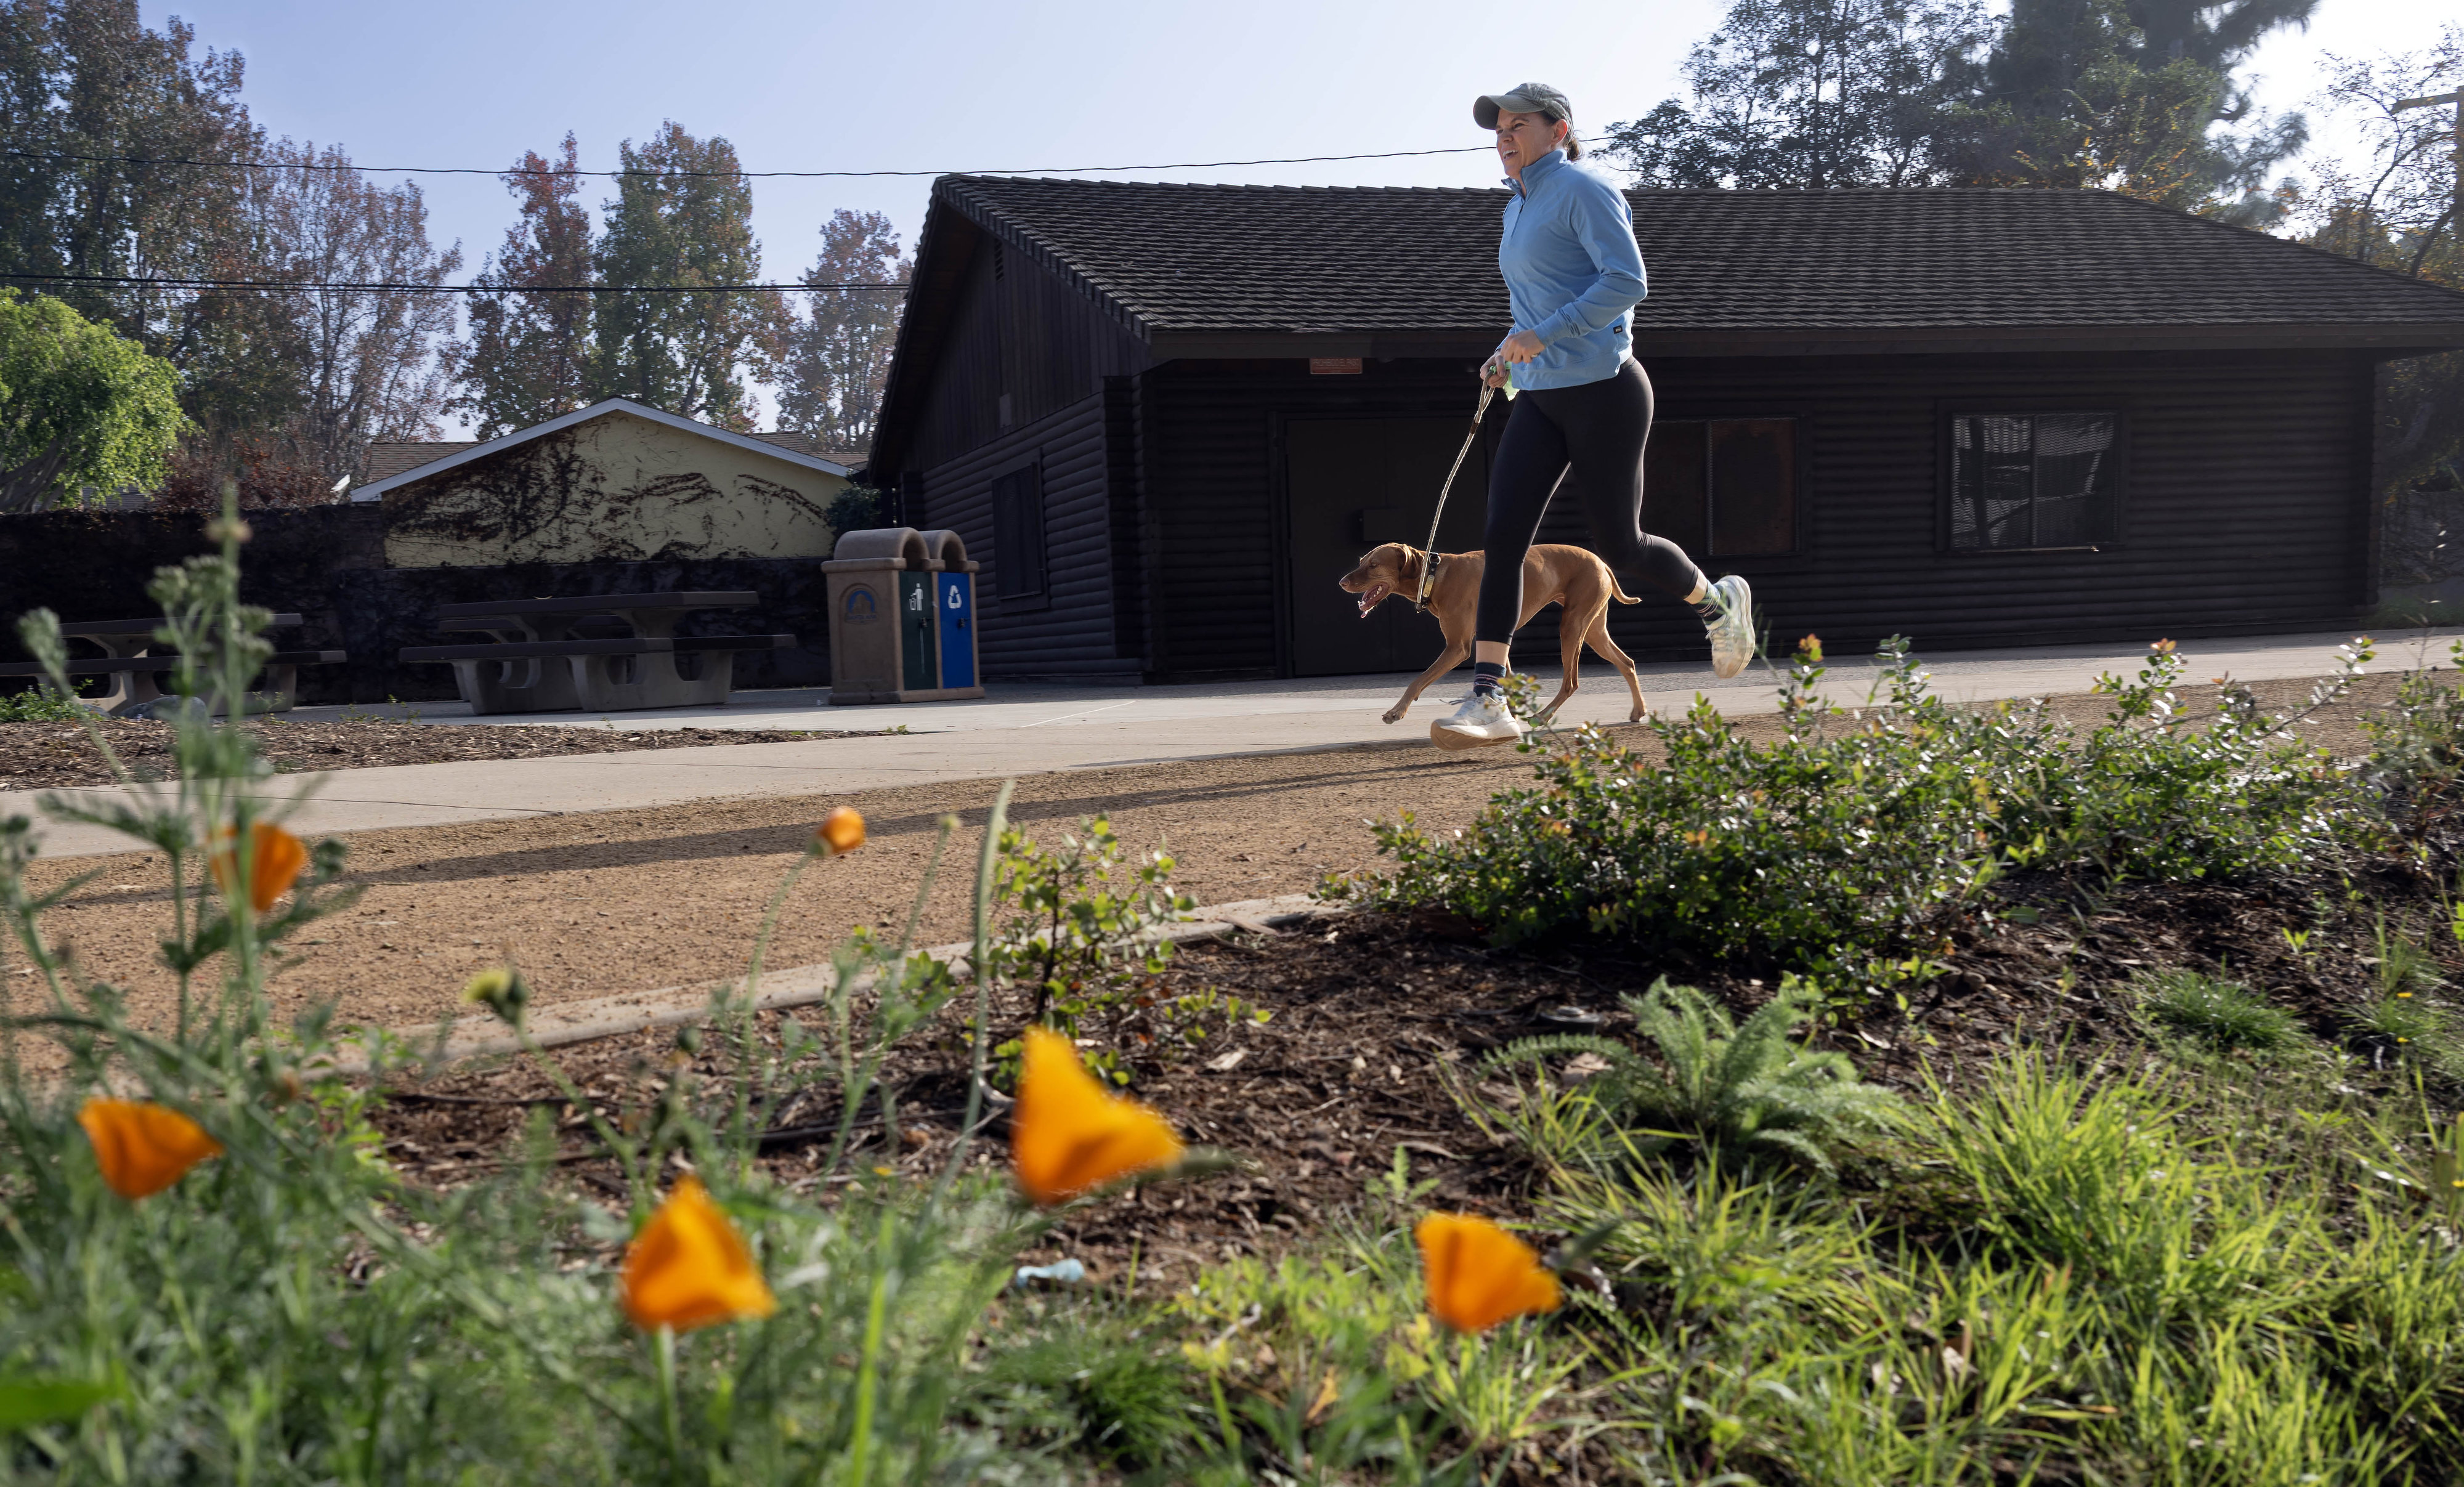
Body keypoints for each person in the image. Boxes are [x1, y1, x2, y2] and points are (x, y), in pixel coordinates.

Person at [1433, 83, 1756, 750]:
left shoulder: (1583, 189)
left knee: (1620, 544)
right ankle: (1489, 696)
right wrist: (1507, 350)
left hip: (1606, 389)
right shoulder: (1515, 208)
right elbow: (1534, 307)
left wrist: (1544, 334)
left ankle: (1717, 603)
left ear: (1558, 131)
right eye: (1498, 126)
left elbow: (1626, 281)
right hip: (1541, 393)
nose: (1504, 134)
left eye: (1519, 123)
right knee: (1504, 542)